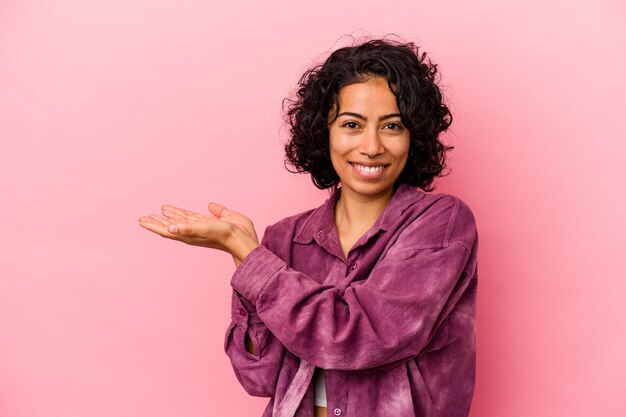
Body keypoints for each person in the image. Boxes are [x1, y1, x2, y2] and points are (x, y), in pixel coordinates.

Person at [139, 38, 478, 417]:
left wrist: (253, 260)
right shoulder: (283, 239)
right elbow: (259, 377)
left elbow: (365, 337)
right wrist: (245, 260)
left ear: (414, 136)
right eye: (352, 124)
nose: (371, 146)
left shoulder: (440, 223)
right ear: (324, 132)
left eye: (392, 126)